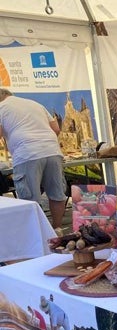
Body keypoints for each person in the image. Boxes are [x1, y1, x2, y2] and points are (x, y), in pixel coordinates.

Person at [0, 88, 67, 230]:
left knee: (30, 198)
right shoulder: (35, 104)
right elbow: (56, 129)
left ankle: (39, 233)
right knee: (56, 193)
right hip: (52, 151)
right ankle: (57, 229)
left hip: (27, 154)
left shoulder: (1, 108)